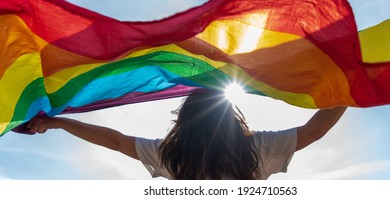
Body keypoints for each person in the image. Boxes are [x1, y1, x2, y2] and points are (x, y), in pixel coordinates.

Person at [27, 88, 347, 180]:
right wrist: (350, 91)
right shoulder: (257, 148)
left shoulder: (170, 154)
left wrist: (61, 123)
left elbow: (116, 141)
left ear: (184, 120)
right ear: (231, 116)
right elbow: (314, 131)